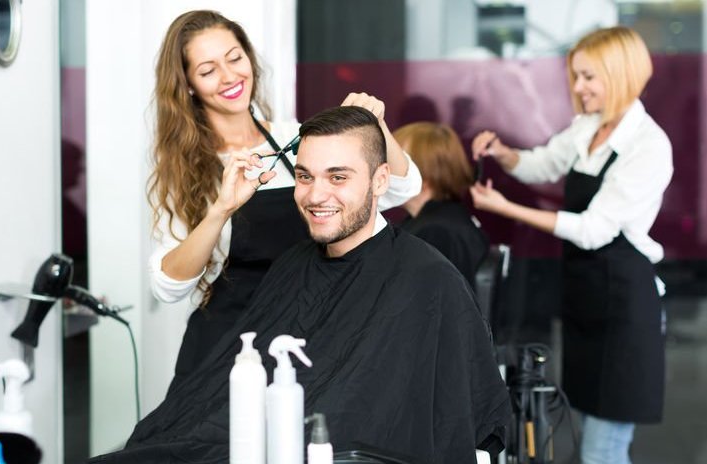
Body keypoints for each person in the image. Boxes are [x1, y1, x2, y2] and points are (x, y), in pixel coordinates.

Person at [91, 106, 510, 464]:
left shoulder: (427, 278)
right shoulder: (294, 264)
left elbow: (462, 420)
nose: (315, 195)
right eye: (305, 177)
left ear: (381, 180)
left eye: (338, 177)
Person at [148, 10, 421, 384]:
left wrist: (373, 125)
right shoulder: (186, 168)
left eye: (235, 58)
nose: (230, 77)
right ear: (189, 84)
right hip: (229, 348)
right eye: (208, 70)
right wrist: (222, 209)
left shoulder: (298, 140)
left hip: (311, 335)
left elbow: (404, 188)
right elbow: (167, 285)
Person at [470, 26, 671, 463]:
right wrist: (505, 154)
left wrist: (507, 209)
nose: (577, 88)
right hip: (588, 302)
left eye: (588, 77)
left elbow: (594, 228)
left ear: (620, 75)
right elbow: (543, 164)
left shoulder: (648, 146)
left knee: (604, 450)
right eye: (575, 76)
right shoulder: (590, 127)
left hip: (624, 312)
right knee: (590, 438)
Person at [395, 122, 489, 287]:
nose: (383, 169)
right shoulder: (432, 221)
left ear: (425, 171)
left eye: (395, 161)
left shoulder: (438, 233)